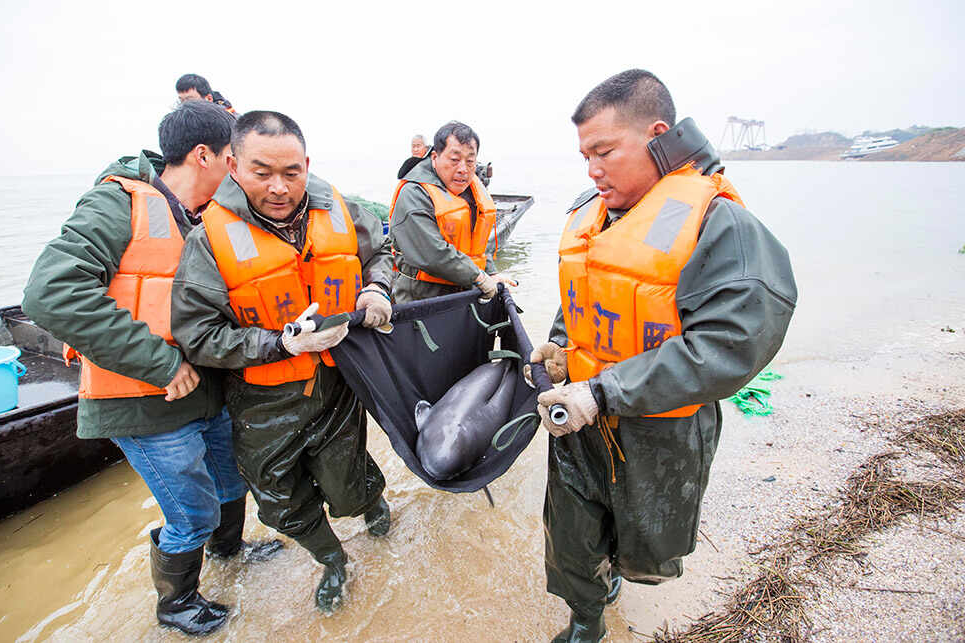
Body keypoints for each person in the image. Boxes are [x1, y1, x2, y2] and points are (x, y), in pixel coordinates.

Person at [530, 69, 798, 642]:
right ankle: (586, 619)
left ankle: (620, 577)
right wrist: (558, 348)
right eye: (585, 156)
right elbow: (582, 294)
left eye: (604, 152)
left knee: (644, 546)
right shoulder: (589, 211)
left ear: (657, 136)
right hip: (578, 420)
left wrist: (604, 392)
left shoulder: (719, 223)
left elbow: (728, 344)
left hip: (659, 433)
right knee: (571, 534)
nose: (592, 169)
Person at [21, 100, 281, 637]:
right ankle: (177, 603)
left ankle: (230, 553)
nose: (240, 173)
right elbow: (50, 294)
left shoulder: (209, 214)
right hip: (143, 399)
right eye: (234, 159)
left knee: (231, 481)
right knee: (191, 511)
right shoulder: (118, 203)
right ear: (205, 155)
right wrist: (159, 363)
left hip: (207, 392)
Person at [170, 110, 394, 614]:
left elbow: (381, 252)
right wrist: (281, 344)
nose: (279, 187)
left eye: (291, 173)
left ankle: (371, 503)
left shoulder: (339, 208)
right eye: (262, 172)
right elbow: (197, 336)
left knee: (347, 482)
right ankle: (333, 559)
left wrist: (378, 288)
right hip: (261, 400)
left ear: (306, 166)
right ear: (233, 167)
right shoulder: (208, 239)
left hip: (337, 385)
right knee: (279, 502)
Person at [388, 120, 514, 303]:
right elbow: (432, 253)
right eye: (454, 160)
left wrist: (491, 273)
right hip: (423, 299)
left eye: (470, 161)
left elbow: (476, 243)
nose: (463, 169)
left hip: (465, 292)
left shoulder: (471, 190)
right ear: (434, 157)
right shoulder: (413, 194)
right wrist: (479, 277)